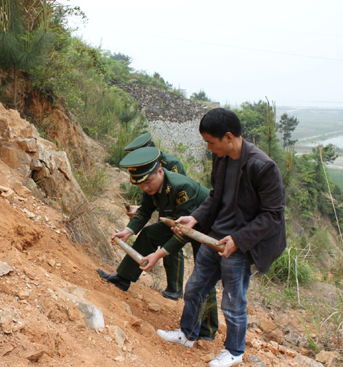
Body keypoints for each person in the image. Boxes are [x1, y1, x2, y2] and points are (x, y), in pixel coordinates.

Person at [157, 108, 286, 367]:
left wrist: (238, 240)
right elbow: (216, 195)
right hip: (215, 237)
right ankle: (187, 334)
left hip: (240, 244)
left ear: (228, 137)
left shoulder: (262, 166)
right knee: (195, 287)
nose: (208, 148)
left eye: (210, 142)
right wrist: (194, 218)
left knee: (233, 299)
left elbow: (272, 214)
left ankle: (235, 351)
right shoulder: (222, 158)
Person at [97, 147, 218, 340]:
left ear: (160, 171)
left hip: (206, 228)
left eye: (148, 181)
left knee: (204, 272)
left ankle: (207, 330)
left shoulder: (181, 188)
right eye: (140, 184)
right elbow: (145, 211)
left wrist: (159, 255)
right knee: (149, 234)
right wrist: (128, 231)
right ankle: (123, 278)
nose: (145, 187)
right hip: (178, 223)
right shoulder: (151, 187)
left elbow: (184, 234)